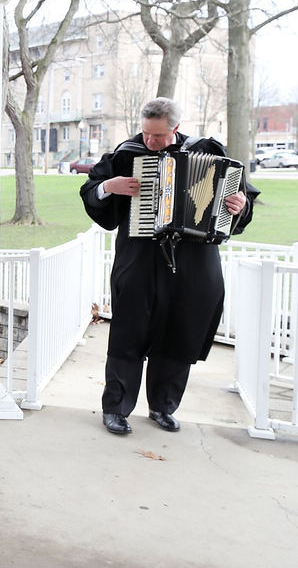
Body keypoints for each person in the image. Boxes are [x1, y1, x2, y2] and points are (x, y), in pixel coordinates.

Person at [80, 97, 258, 436]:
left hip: (193, 262)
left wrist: (239, 205)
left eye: (158, 137)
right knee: (128, 333)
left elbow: (241, 200)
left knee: (180, 332)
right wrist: (109, 186)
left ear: (175, 129)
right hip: (139, 258)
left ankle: (163, 406)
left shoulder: (207, 150)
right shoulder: (126, 154)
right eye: (146, 134)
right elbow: (91, 190)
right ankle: (116, 409)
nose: (150, 142)